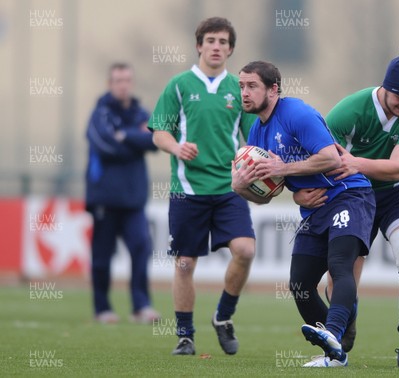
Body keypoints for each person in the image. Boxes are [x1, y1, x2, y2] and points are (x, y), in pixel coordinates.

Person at [294, 56, 399, 368]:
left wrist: (354, 162)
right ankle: (344, 329)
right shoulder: (349, 111)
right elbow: (321, 159)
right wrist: (299, 193)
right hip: (354, 195)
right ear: (384, 87)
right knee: (340, 276)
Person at [232, 60, 376, 368]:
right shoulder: (257, 133)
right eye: (241, 86)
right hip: (315, 209)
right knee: (299, 283)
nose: (244, 93)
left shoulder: (297, 113)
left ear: (274, 89)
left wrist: (283, 169)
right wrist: (240, 186)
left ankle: (334, 333)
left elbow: (330, 158)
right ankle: (336, 347)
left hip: (349, 194)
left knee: (340, 265)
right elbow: (265, 196)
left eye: (252, 86)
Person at [148, 17, 257, 356]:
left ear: (231, 49)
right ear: (199, 45)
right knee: (185, 264)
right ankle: (185, 336)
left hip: (229, 189)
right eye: (210, 40)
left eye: (223, 42)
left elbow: (254, 140)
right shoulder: (179, 85)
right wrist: (176, 147)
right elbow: (158, 132)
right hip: (187, 190)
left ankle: (223, 317)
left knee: (246, 251)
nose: (216, 46)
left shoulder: (239, 90)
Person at [85, 62, 160, 324]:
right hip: (104, 199)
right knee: (102, 257)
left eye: (127, 79)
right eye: (118, 80)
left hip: (134, 199)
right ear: (110, 83)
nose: (123, 84)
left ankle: (141, 306)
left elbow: (154, 140)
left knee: (142, 247)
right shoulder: (100, 113)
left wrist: (123, 135)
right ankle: (102, 308)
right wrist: (134, 139)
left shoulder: (141, 112)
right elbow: (105, 145)